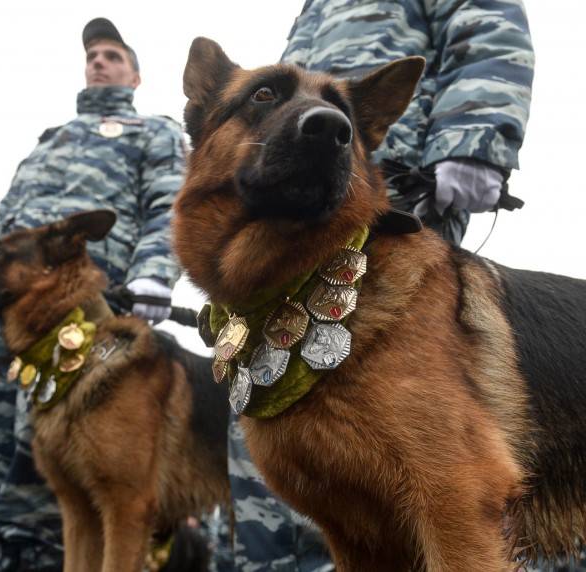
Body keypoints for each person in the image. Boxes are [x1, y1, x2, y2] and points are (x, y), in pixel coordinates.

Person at [228, 1, 535, 570]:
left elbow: (488, 22)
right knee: (316, 475)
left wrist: (474, 140)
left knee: (433, 462)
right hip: (288, 232)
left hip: (392, 198)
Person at [0, 17, 184, 570]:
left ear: (135, 75)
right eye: (93, 56)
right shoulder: (50, 139)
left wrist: (154, 271)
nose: (99, 62)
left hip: (85, 313)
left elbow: (170, 206)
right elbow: (4, 225)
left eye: (112, 55)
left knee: (65, 452)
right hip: (7, 313)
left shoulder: (154, 132)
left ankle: (46, 555)